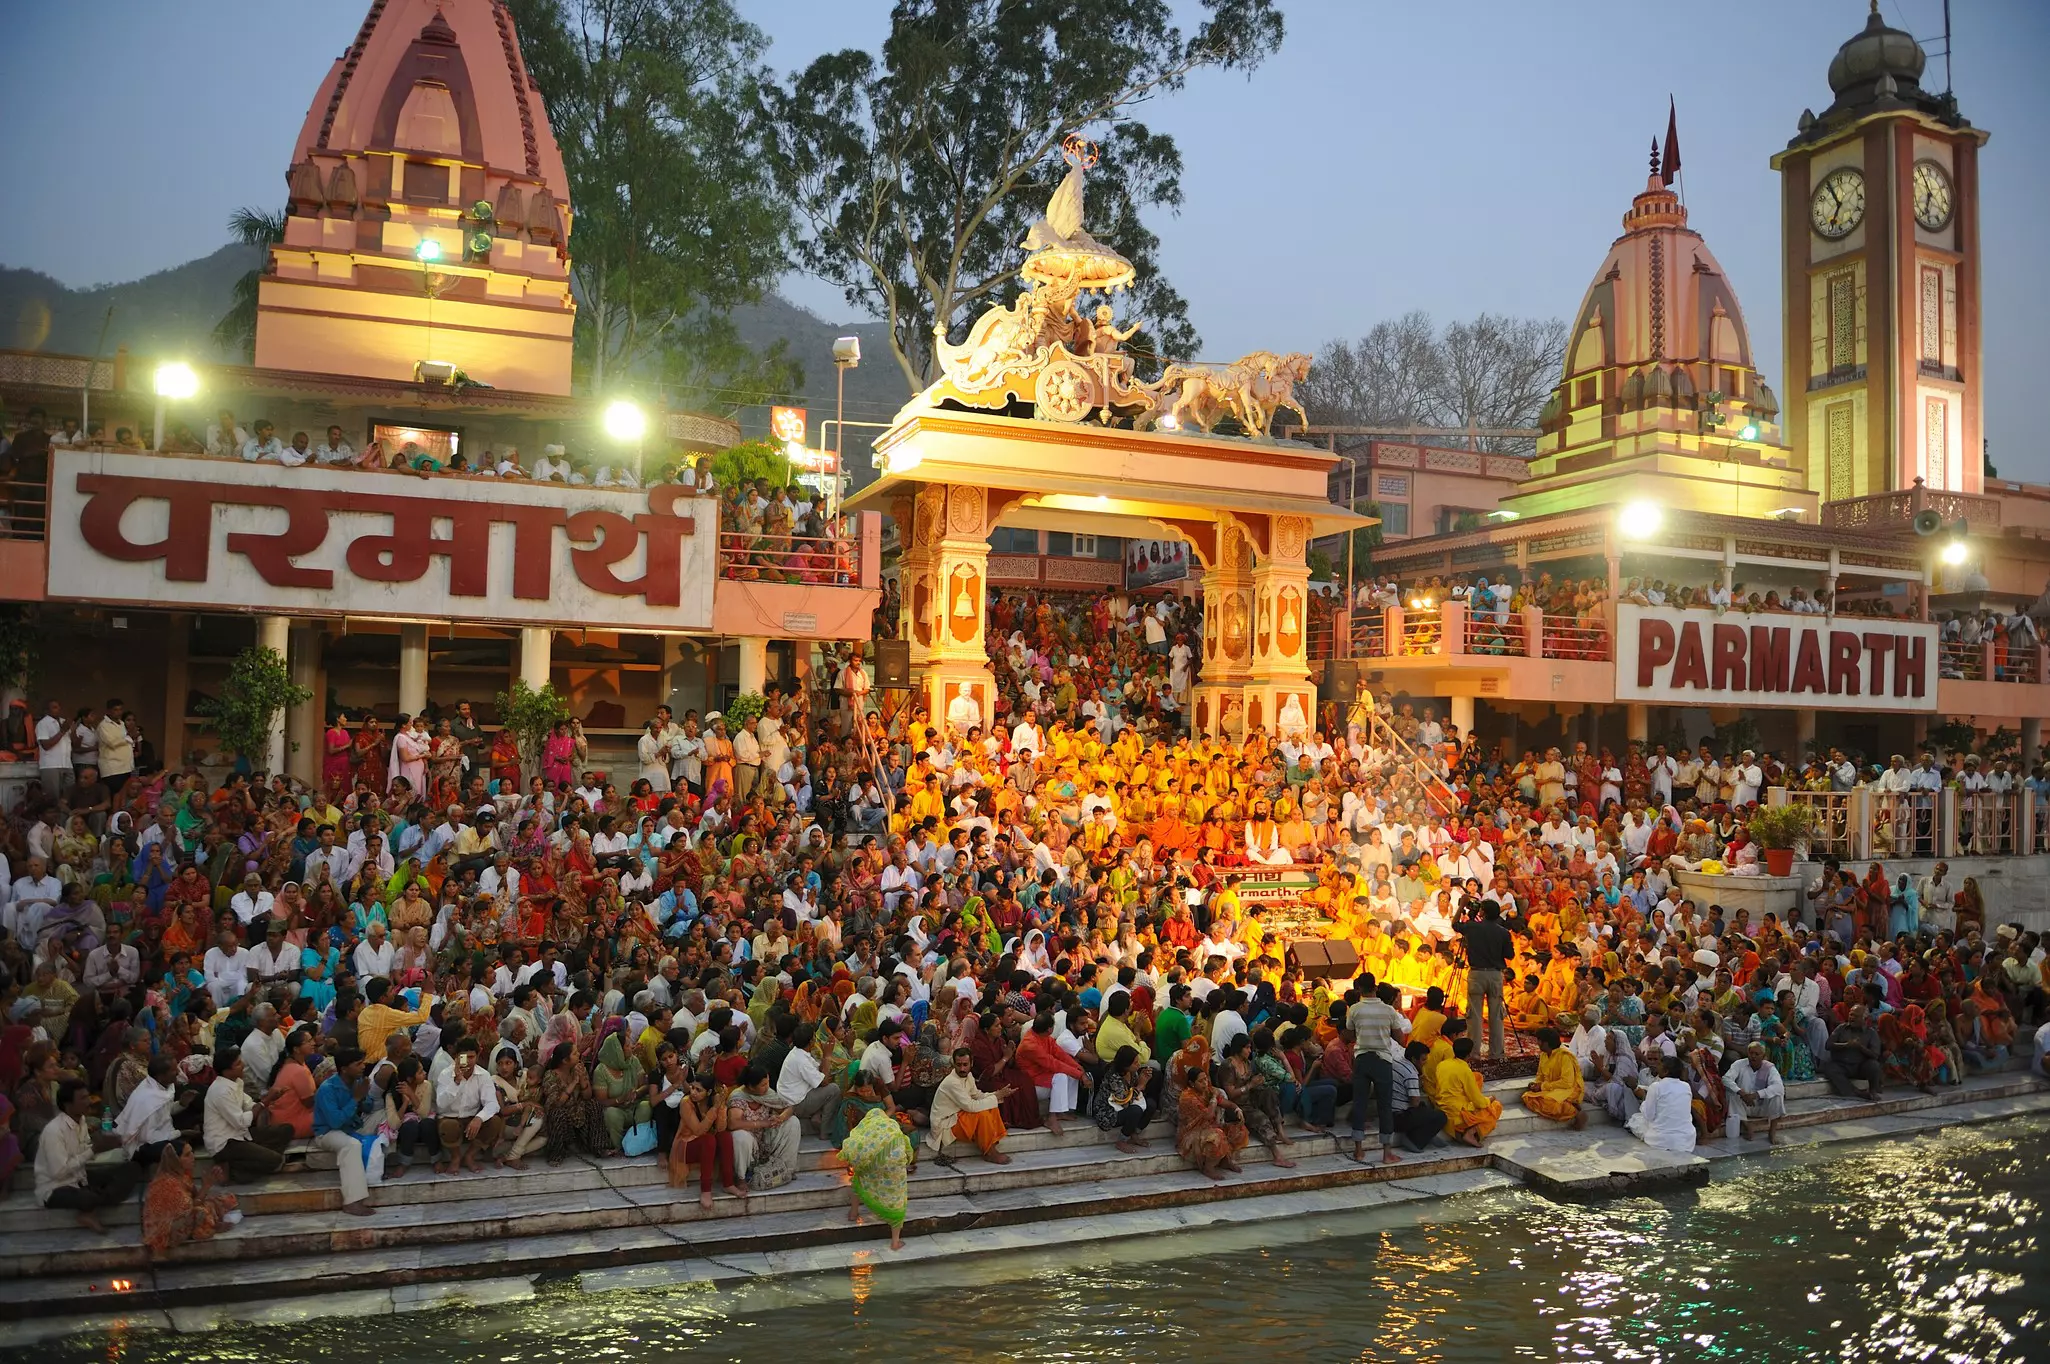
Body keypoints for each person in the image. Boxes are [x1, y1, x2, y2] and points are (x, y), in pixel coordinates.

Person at [36, 1079, 141, 1230]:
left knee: (132, 1168)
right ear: (68, 1104)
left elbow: (85, 1150)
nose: (88, 1102)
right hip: (56, 1188)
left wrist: (106, 1145)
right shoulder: (53, 1131)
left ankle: (95, 1199)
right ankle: (92, 1202)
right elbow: (58, 1172)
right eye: (82, 1098)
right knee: (87, 1197)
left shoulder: (82, 1120)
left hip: (80, 1178)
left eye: (88, 1097)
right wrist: (93, 1150)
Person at [142, 1138, 242, 1258]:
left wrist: (207, 1186)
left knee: (223, 1199)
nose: (193, 1157)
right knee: (201, 1213)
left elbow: (194, 1200)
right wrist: (205, 1187)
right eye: (187, 1155)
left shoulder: (181, 1176)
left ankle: (213, 1220)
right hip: (166, 1232)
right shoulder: (167, 1184)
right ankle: (213, 1224)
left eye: (192, 1152)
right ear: (175, 1160)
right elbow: (189, 1210)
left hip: (184, 1215)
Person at [312, 1047, 380, 1217]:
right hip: (327, 1133)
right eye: (358, 1064)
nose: (363, 1067)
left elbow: (369, 1107)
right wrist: (356, 1098)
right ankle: (352, 1202)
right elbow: (335, 1122)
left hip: (352, 1126)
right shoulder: (327, 1089)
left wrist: (364, 1096)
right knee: (351, 1145)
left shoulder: (357, 1083)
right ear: (344, 1068)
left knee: (386, 1118)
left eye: (363, 1062)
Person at [837, 1102, 914, 1249]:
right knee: (897, 1197)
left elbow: (851, 1147)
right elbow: (906, 1146)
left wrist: (857, 1162)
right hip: (895, 1164)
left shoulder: (865, 1129)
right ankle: (895, 1241)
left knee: (858, 1180)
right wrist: (906, 1160)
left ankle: (853, 1213)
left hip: (872, 1165)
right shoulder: (890, 1124)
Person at [927, 1046, 1012, 1163]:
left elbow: (977, 1095)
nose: (962, 1068)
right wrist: (995, 1097)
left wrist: (997, 1094)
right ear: (954, 1064)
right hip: (947, 1123)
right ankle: (989, 1152)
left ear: (971, 1064)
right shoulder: (951, 1082)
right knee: (982, 1114)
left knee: (992, 1108)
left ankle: (991, 1143)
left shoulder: (969, 1076)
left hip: (959, 1115)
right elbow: (971, 1106)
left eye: (965, 1064)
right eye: (958, 1064)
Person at [433, 1040, 503, 1175]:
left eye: (472, 1057)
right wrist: (456, 1082)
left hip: (471, 1119)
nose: (469, 1061)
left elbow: (492, 1104)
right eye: (464, 1057)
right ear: (456, 1057)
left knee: (494, 1122)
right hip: (450, 1118)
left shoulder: (483, 1075)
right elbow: (441, 1104)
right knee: (448, 1125)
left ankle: (470, 1155)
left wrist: (479, 1118)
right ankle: (455, 1157)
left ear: (477, 1057)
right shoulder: (446, 1074)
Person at [1429, 1036, 1500, 1147]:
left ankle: (1465, 1132)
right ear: (1469, 1054)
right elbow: (1478, 1102)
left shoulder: (1442, 1065)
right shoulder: (1464, 1070)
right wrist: (1488, 1100)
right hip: (1458, 1115)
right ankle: (1470, 1133)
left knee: (1477, 1077)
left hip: (1441, 1107)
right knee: (1496, 1106)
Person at [1626, 1055, 1698, 1153]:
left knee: (1635, 1120)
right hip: (1686, 1141)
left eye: (1659, 1064)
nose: (1656, 1065)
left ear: (1666, 1071)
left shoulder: (1656, 1087)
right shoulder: (1686, 1086)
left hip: (1660, 1141)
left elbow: (1648, 1116)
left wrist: (1644, 1101)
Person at [1520, 1026, 1587, 1129]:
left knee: (1550, 1103)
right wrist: (1536, 1085)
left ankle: (1575, 1112)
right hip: (1551, 1089)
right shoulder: (1544, 1055)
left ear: (1546, 1043)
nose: (1537, 1043)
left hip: (1569, 1089)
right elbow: (1540, 1075)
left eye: (1539, 1041)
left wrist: (1542, 1086)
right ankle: (1566, 1104)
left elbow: (1567, 1083)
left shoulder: (1565, 1056)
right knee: (1527, 1097)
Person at [1727, 1041, 1786, 1144]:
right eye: (1751, 1053)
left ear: (1763, 1056)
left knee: (1777, 1094)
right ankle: (1746, 1125)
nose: (1753, 1056)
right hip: (1744, 1106)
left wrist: (1756, 1095)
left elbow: (1778, 1087)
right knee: (1731, 1091)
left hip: (1763, 1107)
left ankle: (1772, 1132)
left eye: (1756, 1054)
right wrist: (1742, 1093)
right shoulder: (1739, 1064)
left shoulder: (1769, 1068)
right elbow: (1726, 1079)